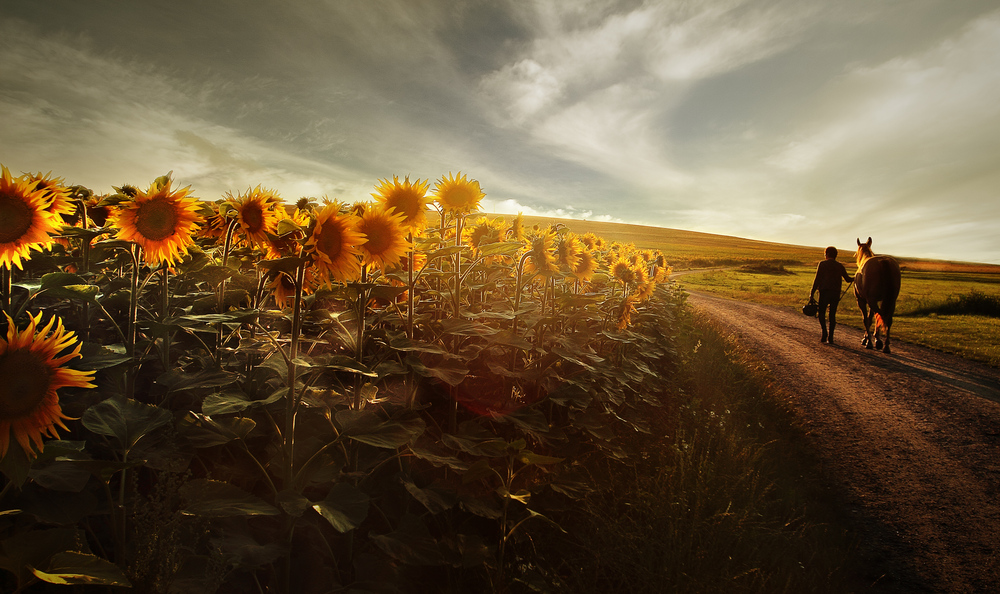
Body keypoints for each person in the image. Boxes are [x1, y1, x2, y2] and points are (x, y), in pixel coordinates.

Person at [809, 246, 854, 344]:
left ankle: (824, 333)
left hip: (824, 291)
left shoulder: (822, 264)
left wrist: (811, 293)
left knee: (821, 313)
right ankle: (831, 337)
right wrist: (856, 277)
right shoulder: (840, 266)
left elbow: (817, 279)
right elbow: (847, 279)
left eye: (825, 254)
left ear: (827, 254)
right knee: (832, 315)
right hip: (835, 293)